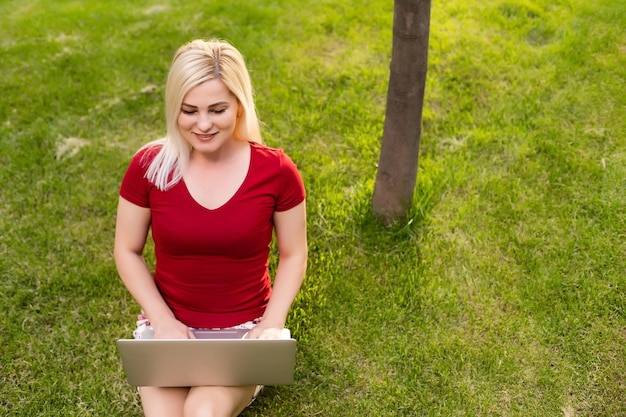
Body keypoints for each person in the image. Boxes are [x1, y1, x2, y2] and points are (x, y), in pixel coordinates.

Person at [113, 39, 307, 417]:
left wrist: (271, 324)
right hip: (169, 328)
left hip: (243, 332)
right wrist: (164, 321)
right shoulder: (149, 167)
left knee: (203, 411)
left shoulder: (277, 172)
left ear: (239, 106)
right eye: (189, 111)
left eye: (217, 109)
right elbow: (127, 250)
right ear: (174, 109)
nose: (203, 124)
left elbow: (294, 253)